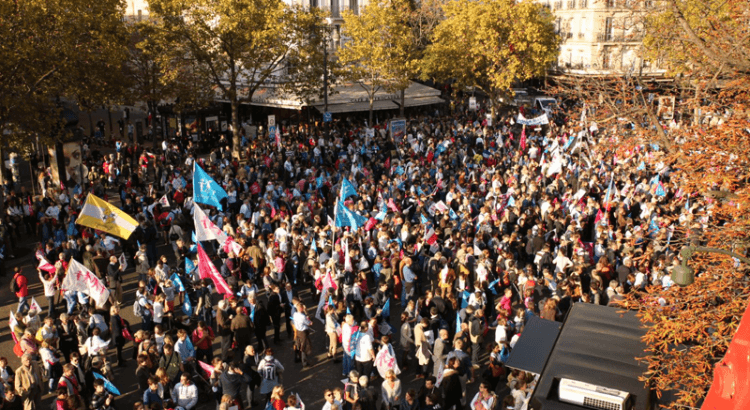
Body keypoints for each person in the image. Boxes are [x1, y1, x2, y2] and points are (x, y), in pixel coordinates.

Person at [291, 301, 313, 367]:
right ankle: (304, 361)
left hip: (298, 331)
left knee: (299, 345)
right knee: (304, 346)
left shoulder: (295, 314)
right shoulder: (302, 316)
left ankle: (299, 357)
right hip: (303, 332)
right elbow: (309, 323)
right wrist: (306, 311)